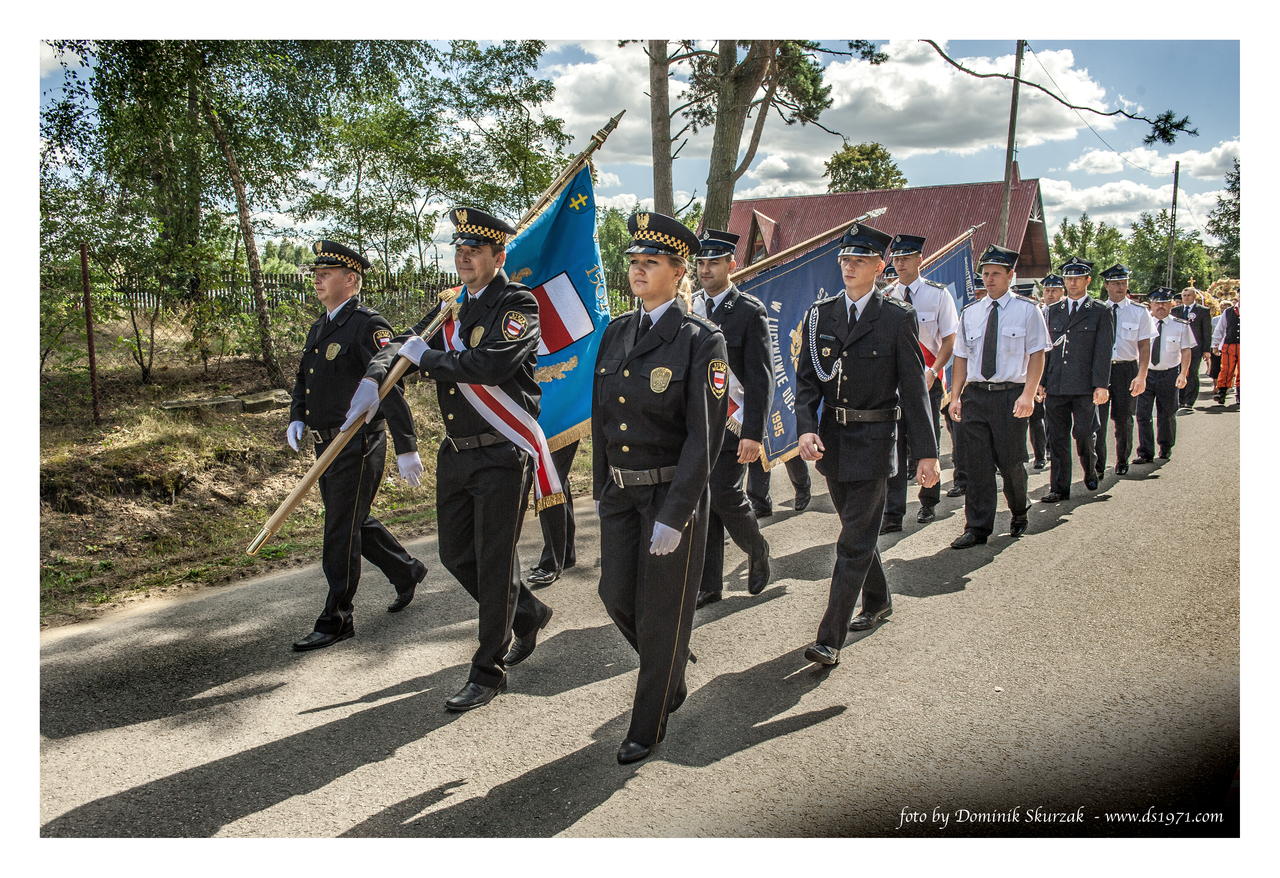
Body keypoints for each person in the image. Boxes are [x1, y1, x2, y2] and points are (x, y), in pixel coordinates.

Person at [345, 207, 556, 712]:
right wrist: (375, 376)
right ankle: (525, 613)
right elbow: (401, 344)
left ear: (498, 255)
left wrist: (429, 359)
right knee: (456, 556)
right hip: (457, 454)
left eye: (475, 249)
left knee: (495, 562)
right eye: (459, 249)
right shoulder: (451, 307)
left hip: (503, 453)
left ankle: (488, 670)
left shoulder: (517, 304)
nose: (463, 256)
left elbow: (490, 364)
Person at [592, 211, 728, 764]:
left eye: (651, 263)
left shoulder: (701, 340)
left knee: (662, 610)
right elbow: (602, 417)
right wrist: (602, 489)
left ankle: (648, 724)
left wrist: (677, 513)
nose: (638, 271)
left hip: (671, 496)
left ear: (679, 272)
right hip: (622, 495)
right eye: (634, 262)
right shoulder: (617, 332)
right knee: (615, 595)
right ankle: (669, 669)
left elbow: (705, 435)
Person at [794, 222, 939, 665]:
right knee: (858, 531)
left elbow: (914, 390)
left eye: (859, 260)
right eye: (844, 259)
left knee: (852, 542)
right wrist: (805, 428)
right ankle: (877, 600)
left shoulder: (896, 317)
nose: (849, 266)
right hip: (834, 442)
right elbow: (806, 382)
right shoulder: (821, 314)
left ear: (879, 267)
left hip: (876, 441)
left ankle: (829, 639)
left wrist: (928, 453)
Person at [287, 240, 428, 651]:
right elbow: (304, 377)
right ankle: (406, 571)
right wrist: (297, 413)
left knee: (339, 530)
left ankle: (336, 619)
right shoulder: (321, 325)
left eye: (326, 272)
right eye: (316, 272)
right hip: (324, 443)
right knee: (351, 521)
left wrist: (406, 445)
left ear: (350, 280)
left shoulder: (368, 324)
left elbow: (391, 385)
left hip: (357, 441)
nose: (317, 278)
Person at [690, 229, 772, 609]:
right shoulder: (688, 307)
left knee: (725, 495)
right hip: (696, 424)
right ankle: (710, 584)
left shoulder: (749, 311)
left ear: (731, 264)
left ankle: (757, 549)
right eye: (701, 262)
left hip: (732, 422)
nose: (705, 269)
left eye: (714, 262)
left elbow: (760, 378)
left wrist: (752, 433)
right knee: (702, 500)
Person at [948, 244, 1050, 548]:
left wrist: (1028, 394)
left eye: (995, 274)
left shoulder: (1027, 310)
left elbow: (1037, 354)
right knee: (977, 464)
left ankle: (1019, 510)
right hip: (977, 396)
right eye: (985, 274)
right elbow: (961, 358)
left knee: (1010, 463)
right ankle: (977, 527)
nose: (989, 279)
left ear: (1010, 276)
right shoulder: (971, 313)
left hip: (1011, 396)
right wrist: (955, 396)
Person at [881, 233, 957, 530]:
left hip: (927, 379)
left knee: (927, 440)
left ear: (919, 259)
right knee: (894, 444)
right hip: (894, 384)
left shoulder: (938, 295)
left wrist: (934, 370)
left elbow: (950, 340)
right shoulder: (885, 295)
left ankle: (928, 501)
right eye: (896, 259)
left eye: (905, 258)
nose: (899, 263)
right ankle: (893, 511)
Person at [1037, 257, 1113, 503]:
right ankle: (1059, 487)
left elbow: (1103, 351)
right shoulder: (1052, 311)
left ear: (1087, 280)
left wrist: (1101, 385)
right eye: (1068, 278)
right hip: (1056, 385)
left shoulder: (1100, 311)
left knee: (1083, 433)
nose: (1072, 282)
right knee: (1057, 439)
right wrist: (1040, 380)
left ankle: (1090, 469)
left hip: (1084, 387)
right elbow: (1045, 349)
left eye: (1077, 278)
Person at [1094, 264, 1155, 476]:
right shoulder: (1098, 310)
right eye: (1116, 283)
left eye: (1124, 283)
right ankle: (1098, 465)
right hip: (1102, 370)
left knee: (1123, 419)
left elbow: (1144, 346)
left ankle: (1122, 460)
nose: (1121, 287)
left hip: (1126, 369)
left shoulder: (1139, 312)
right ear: (1106, 285)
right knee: (1098, 422)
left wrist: (1142, 375)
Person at [1134, 287, 1196, 462]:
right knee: (1143, 414)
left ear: (1171, 305)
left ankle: (1166, 446)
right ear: (1150, 305)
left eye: (1164, 303)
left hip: (1169, 374)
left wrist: (1183, 374)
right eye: (1157, 303)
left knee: (1167, 413)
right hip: (1145, 374)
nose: (1160, 306)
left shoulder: (1181, 326)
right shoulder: (1142, 324)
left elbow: (1186, 351)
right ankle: (1145, 452)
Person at [942, 270, 987, 499]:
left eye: (981, 293)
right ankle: (961, 478)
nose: (977, 297)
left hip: (982, 385)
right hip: (959, 385)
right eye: (975, 293)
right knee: (958, 436)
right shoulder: (965, 315)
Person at [526, 440, 579, 587]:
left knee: (548, 476)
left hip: (556, 419)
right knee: (556, 478)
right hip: (543, 420)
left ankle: (552, 562)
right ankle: (566, 553)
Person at [1029, 273, 1066, 469]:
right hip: (1034, 371)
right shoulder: (1037, 312)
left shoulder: (1066, 314)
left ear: (1062, 292)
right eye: (1047, 290)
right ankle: (1039, 454)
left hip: (1055, 371)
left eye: (1054, 290)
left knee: (1051, 415)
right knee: (1035, 416)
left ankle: (1051, 447)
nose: (1050, 294)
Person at [1173, 288, 1213, 411]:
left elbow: (1207, 331)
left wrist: (1206, 350)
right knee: (1178, 372)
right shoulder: (1175, 311)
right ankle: (1180, 398)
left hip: (1195, 348)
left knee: (1192, 373)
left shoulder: (1202, 311)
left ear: (1194, 296)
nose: (1186, 297)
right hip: (1177, 348)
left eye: (1189, 295)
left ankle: (1189, 400)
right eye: (1184, 295)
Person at [1211, 290, 1240, 405]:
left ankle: (1240, 394)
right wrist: (1215, 345)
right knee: (1226, 368)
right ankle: (1222, 391)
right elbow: (1220, 329)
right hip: (1229, 344)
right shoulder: (1228, 311)